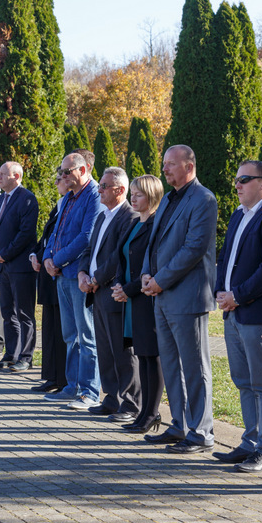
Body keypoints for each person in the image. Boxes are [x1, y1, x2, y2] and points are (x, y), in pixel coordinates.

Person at [212, 160, 262, 472]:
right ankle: (249, 442)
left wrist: (237, 295)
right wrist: (221, 291)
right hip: (233, 313)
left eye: (245, 179)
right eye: (237, 179)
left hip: (257, 313)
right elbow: (225, 257)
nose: (237, 184)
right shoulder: (238, 214)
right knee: (243, 381)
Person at [141, 145, 217, 453]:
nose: (165, 169)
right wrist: (146, 274)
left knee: (195, 367)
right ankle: (180, 425)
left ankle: (201, 432)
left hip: (187, 297)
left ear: (189, 166)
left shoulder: (204, 199)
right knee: (172, 366)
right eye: (164, 164)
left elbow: (193, 248)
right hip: (161, 295)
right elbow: (153, 243)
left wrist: (160, 280)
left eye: (171, 164)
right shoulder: (169, 199)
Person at [78, 167, 139, 421]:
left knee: (122, 351)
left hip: (113, 291)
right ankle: (111, 398)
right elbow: (89, 249)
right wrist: (82, 273)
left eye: (104, 186)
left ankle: (131, 403)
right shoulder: (103, 215)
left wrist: (96, 278)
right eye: (100, 185)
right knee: (105, 348)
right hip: (97, 291)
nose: (99, 190)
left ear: (120, 190)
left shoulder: (130, 217)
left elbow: (117, 258)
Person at [42, 152, 102, 411]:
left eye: (68, 171)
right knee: (70, 335)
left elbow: (87, 236)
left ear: (84, 169)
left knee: (87, 335)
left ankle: (90, 392)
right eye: (62, 171)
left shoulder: (94, 195)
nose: (63, 175)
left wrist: (57, 260)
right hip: (62, 275)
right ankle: (72, 386)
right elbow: (56, 232)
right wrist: (47, 257)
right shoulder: (68, 197)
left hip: (79, 275)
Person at [111, 175, 165, 434]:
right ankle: (143, 411)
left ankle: (152, 413)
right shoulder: (134, 222)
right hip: (132, 299)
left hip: (146, 298)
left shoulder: (157, 224)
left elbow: (152, 265)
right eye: (132, 193)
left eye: (139, 194)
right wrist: (119, 284)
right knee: (141, 355)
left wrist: (128, 289)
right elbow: (122, 258)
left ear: (152, 196)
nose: (133, 198)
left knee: (151, 355)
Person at [0, 162, 39, 372]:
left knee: (24, 313)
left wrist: (5, 254)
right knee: (7, 312)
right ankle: (11, 354)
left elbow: (25, 234)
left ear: (16, 176)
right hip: (3, 266)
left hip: (20, 266)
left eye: (2, 174)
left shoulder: (27, 198)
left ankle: (26, 357)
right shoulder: (1, 199)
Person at [29, 173, 70, 393]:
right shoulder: (60, 204)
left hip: (59, 272)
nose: (56, 183)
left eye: (60, 179)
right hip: (47, 274)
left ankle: (63, 379)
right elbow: (46, 238)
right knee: (50, 329)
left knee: (62, 331)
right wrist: (35, 255)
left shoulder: (73, 204)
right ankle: (51, 376)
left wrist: (52, 259)